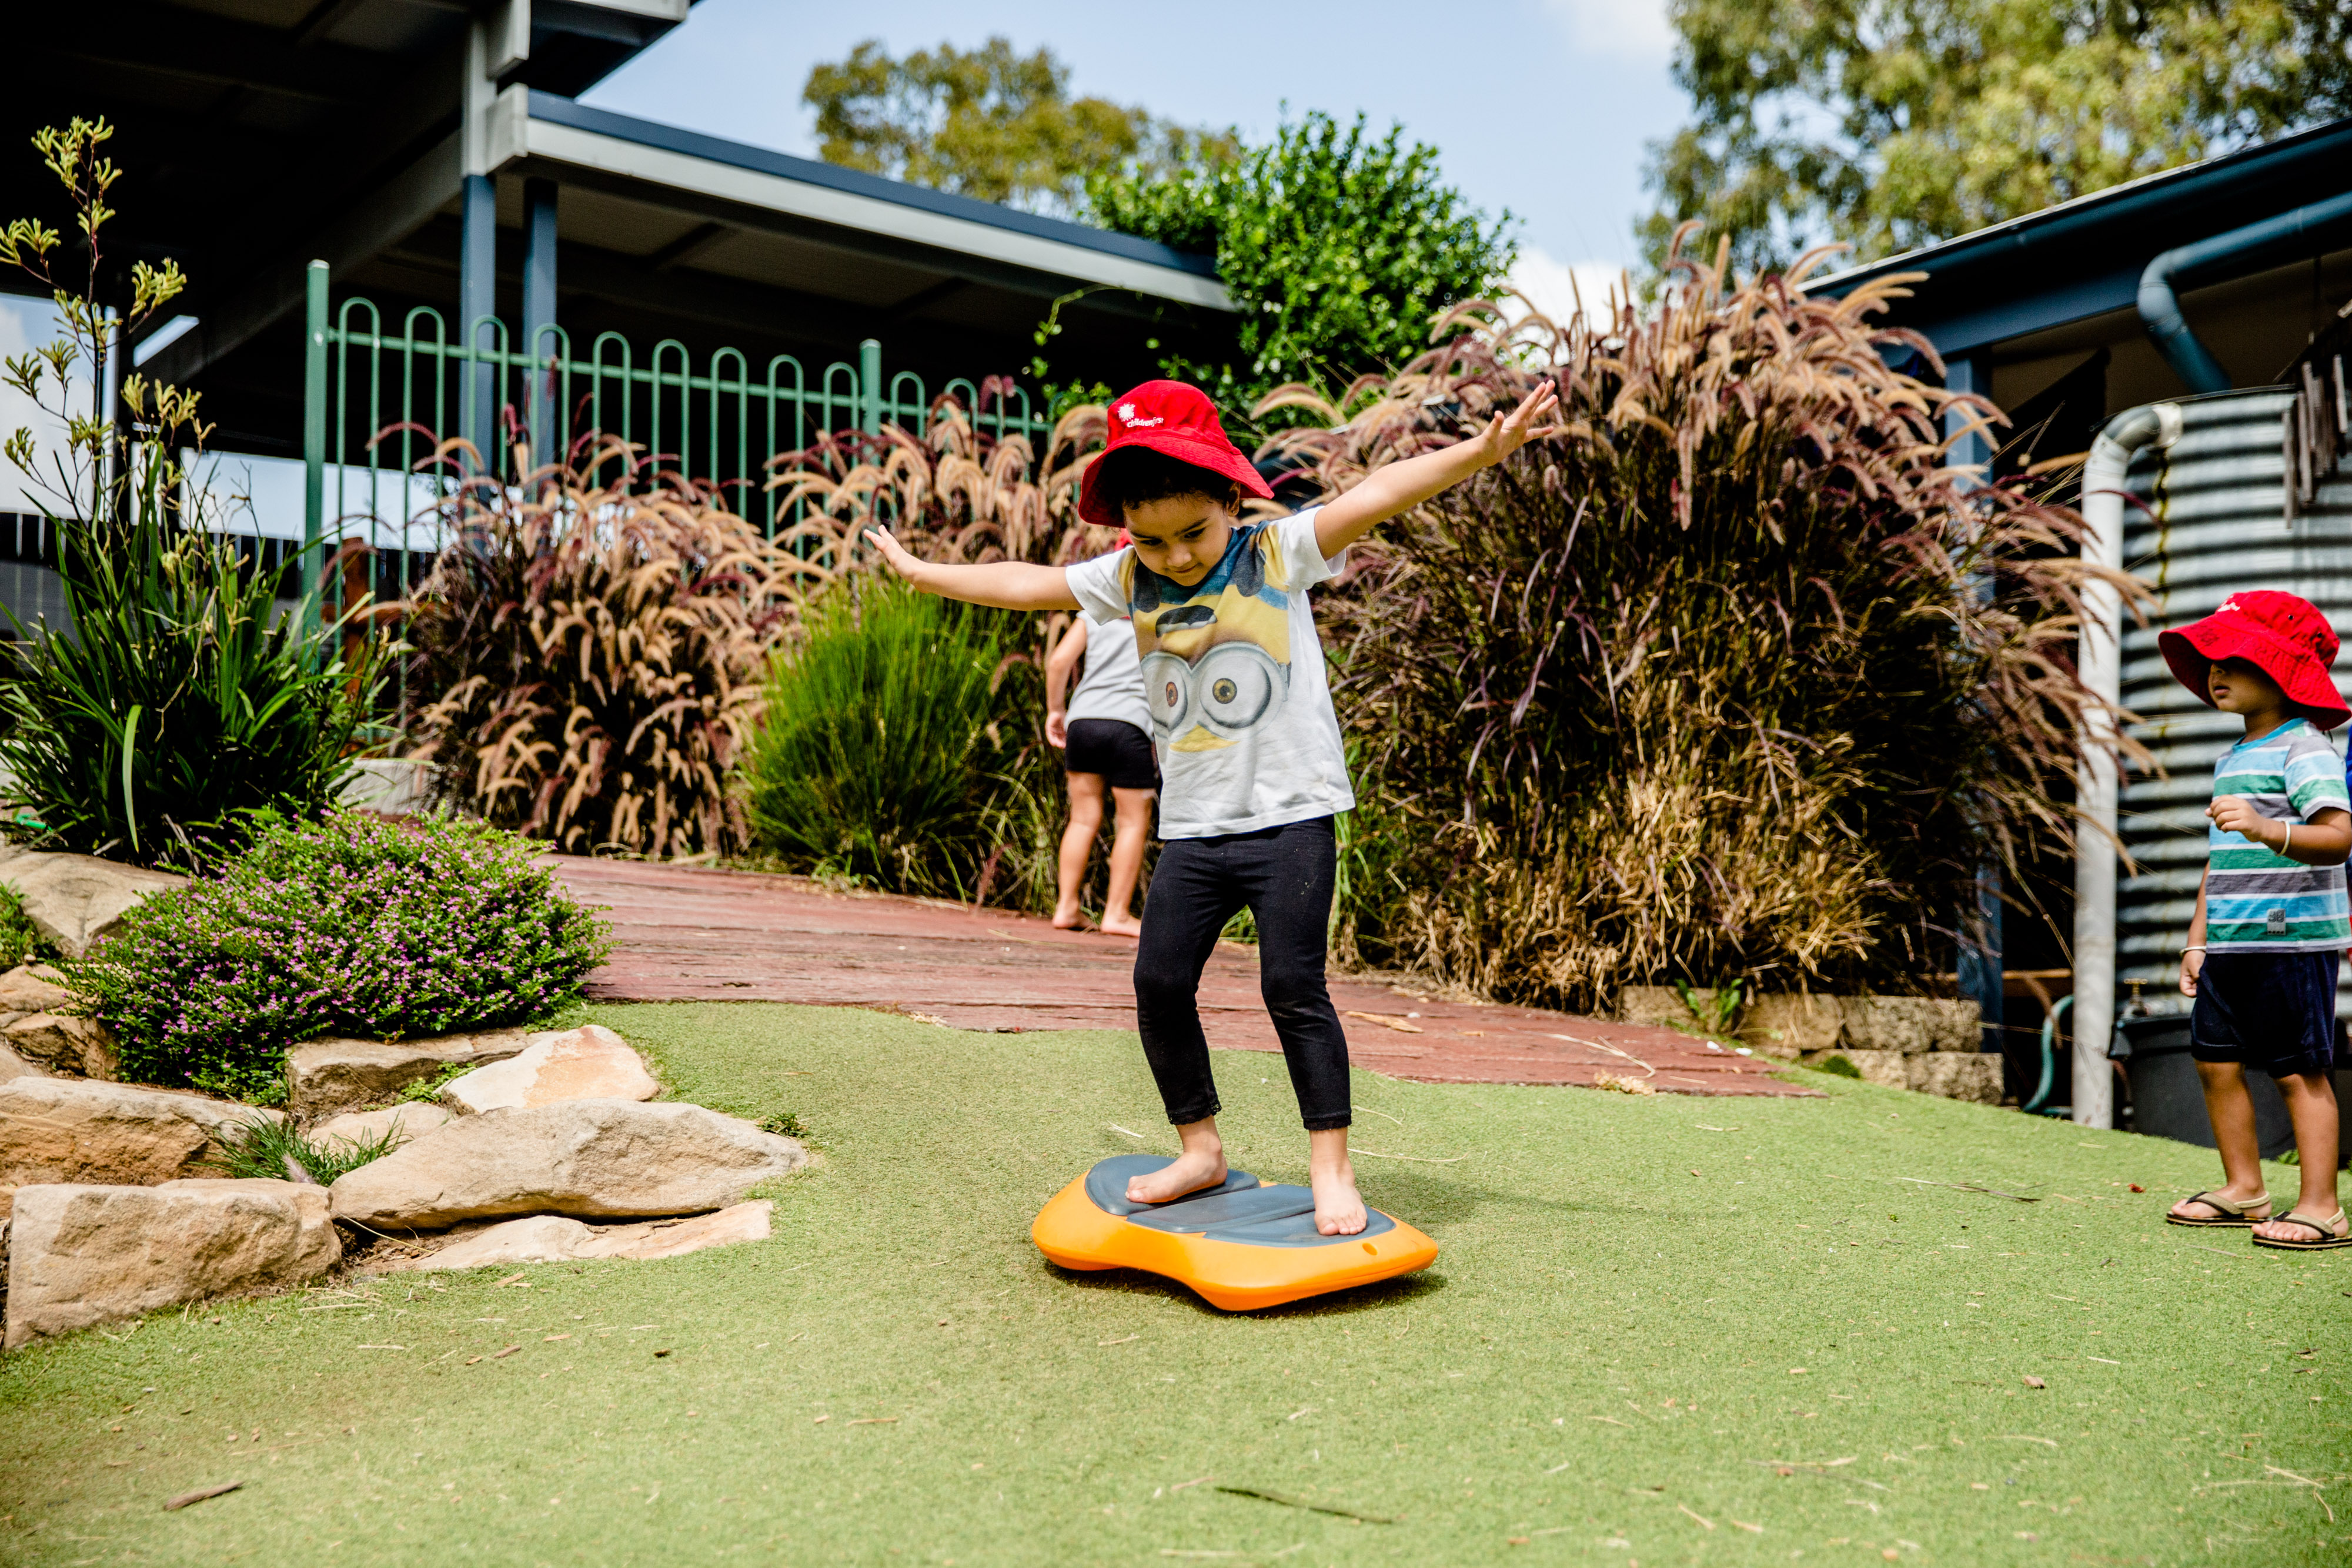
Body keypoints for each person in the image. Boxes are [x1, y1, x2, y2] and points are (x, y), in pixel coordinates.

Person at [866, 377, 1558, 1235]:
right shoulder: (1128, 576)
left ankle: (1331, 1163)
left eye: (1193, 533)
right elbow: (1027, 582)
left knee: (1291, 986)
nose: (1178, 557)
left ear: (1230, 499)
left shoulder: (1277, 553)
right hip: (1195, 830)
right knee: (1158, 982)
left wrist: (1482, 451)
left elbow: (1375, 494)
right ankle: (1201, 1149)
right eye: (1152, 541)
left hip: (1290, 819)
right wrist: (920, 571)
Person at [2163, 590, 2351, 1249]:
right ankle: (2244, 1187)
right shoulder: (2232, 758)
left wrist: (2268, 827)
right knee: (2214, 1062)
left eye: (2234, 659)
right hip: (2230, 942)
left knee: (2298, 1069)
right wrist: (2197, 940)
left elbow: (2338, 837)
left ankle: (2322, 1206)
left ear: (2283, 671)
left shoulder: (2304, 748)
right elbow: (2219, 860)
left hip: (2291, 941)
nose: (2216, 671)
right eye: (2210, 660)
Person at [1044, 599, 1157, 937]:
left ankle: (1066, 906)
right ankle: (1117, 914)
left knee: (1082, 818)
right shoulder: (1158, 613)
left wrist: (1055, 710)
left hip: (1084, 722)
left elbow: (1059, 661)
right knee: (1132, 822)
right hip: (1130, 724)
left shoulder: (1095, 611)